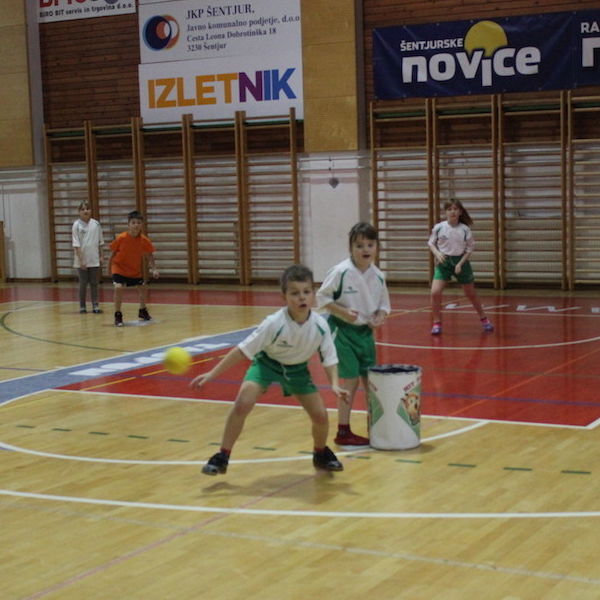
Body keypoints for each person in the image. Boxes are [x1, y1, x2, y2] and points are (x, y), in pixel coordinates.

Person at [191, 264, 348, 476]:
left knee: (320, 416)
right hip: (267, 364)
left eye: (306, 292)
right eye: (294, 293)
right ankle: (222, 456)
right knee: (243, 403)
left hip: (298, 370)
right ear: (284, 297)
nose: (301, 297)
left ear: (313, 294)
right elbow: (242, 351)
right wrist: (212, 374)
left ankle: (320, 453)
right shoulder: (274, 323)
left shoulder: (320, 325)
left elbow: (329, 358)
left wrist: (335, 384)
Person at [316, 222, 391, 448]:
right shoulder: (341, 272)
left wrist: (379, 316)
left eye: (370, 244)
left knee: (371, 382)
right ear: (351, 248)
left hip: (365, 334)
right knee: (349, 380)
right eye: (359, 245)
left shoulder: (378, 275)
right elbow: (321, 298)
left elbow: (384, 305)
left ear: (377, 247)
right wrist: (342, 311)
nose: (365, 249)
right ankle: (343, 430)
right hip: (342, 331)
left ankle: (376, 428)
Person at [428, 199, 494, 335]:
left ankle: (484, 319)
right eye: (449, 209)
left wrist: (460, 264)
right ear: (445, 212)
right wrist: (438, 254)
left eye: (455, 209)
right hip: (444, 262)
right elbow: (431, 243)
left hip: (461, 262)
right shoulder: (439, 227)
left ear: (460, 212)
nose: (452, 211)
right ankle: (436, 323)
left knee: (470, 293)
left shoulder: (465, 229)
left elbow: (469, 249)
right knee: (435, 292)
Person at [108, 210, 159, 327]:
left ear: (142, 225)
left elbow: (149, 255)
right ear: (128, 224)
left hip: (134, 270)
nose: (136, 225)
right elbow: (113, 253)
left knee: (143, 287)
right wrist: (108, 267)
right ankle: (118, 314)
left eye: (139, 223)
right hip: (119, 267)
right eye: (133, 222)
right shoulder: (121, 238)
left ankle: (142, 310)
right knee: (118, 287)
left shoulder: (144, 240)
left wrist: (154, 269)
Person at [72, 201, 104, 314]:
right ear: (79, 212)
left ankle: (95, 305)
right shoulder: (76, 225)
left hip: (94, 259)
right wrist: (81, 260)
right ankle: (82, 306)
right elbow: (76, 244)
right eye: (83, 209)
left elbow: (100, 242)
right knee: (83, 283)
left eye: (87, 209)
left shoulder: (96, 224)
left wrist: (101, 255)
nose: (85, 211)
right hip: (82, 260)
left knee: (94, 283)